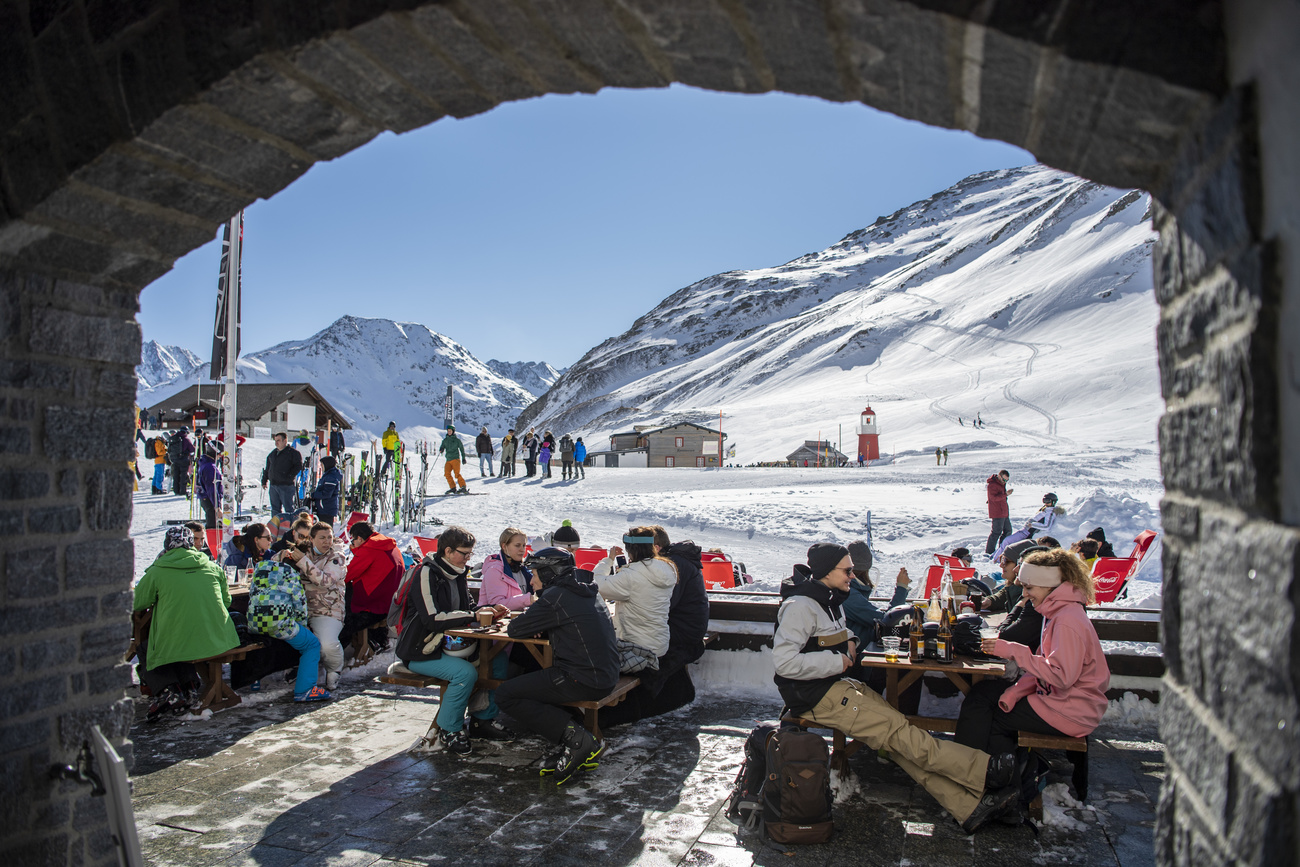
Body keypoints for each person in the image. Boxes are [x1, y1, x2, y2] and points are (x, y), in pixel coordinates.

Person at [772, 542, 1020, 833]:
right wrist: (838, 662)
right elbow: (785, 663)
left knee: (898, 739)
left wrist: (850, 641)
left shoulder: (828, 598)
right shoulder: (800, 606)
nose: (852, 575)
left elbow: (837, 633)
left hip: (835, 687)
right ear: (827, 571)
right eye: (847, 570)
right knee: (900, 734)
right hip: (816, 696)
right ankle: (985, 770)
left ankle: (968, 807)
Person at [956, 549, 1110, 772]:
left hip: (1071, 710)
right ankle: (978, 774)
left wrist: (1013, 651)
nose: (1025, 594)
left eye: (1029, 588)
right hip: (1066, 702)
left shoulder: (1066, 620)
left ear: (1050, 586)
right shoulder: (1059, 611)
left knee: (991, 716)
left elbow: (1061, 676)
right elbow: (1046, 663)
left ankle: (989, 781)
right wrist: (1016, 691)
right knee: (982, 695)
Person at [495, 548, 619, 784]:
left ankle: (577, 740)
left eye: (535, 574)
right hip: (603, 674)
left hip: (582, 678)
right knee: (534, 675)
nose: (532, 580)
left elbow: (515, 629)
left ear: (549, 573)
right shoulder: (584, 589)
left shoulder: (556, 597)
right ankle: (579, 741)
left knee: (505, 694)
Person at [394, 526, 515, 754]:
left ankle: (482, 720)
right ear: (448, 551)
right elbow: (433, 618)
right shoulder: (426, 573)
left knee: (496, 659)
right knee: (464, 673)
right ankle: (449, 729)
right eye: (464, 554)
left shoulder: (458, 572)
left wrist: (487, 610)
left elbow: (467, 608)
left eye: (470, 554)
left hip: (452, 645)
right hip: (421, 649)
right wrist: (475, 615)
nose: (468, 559)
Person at [599, 526, 710, 726]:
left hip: (681, 633)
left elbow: (598, 585)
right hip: (680, 631)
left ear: (656, 547)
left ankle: (605, 712)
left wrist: (611, 564)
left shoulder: (670, 565)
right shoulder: (670, 566)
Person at [132, 527, 241, 719]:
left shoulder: (158, 571)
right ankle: (190, 686)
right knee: (183, 640)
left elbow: (138, 603)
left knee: (149, 647)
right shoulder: (212, 566)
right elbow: (227, 602)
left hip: (181, 643)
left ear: (168, 544)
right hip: (219, 639)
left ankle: (168, 690)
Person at [247, 537, 330, 702]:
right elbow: (299, 605)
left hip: (254, 622)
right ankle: (305, 689)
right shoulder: (291, 574)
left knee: (261, 642)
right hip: (278, 623)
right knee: (311, 644)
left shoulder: (260, 570)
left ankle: (253, 681)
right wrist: (303, 626)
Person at [593, 527, 677, 673]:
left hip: (637, 650)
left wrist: (609, 560)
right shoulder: (667, 568)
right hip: (659, 645)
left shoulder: (631, 576)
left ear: (632, 550)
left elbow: (596, 584)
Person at [341, 521, 404, 654]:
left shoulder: (369, 549)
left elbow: (346, 575)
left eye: (352, 539)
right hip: (391, 602)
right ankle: (379, 639)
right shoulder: (386, 544)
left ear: (359, 538)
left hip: (373, 607)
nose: (352, 543)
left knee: (343, 611)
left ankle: (334, 653)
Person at [992, 492, 1064, 561]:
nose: (1045, 503)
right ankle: (994, 556)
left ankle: (997, 559)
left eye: (1048, 501)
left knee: (1007, 541)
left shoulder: (1050, 513)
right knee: (1006, 541)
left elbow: (1047, 526)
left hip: (1027, 533)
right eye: (1044, 501)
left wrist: (1032, 525)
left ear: (1053, 502)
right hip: (1025, 530)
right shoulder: (1045, 510)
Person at [479, 527, 533, 611]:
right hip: (493, 621)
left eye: (524, 545)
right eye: (517, 545)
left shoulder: (524, 569)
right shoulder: (494, 570)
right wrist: (529, 599)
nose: (522, 550)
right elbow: (497, 605)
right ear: (504, 546)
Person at [262, 431, 304, 518]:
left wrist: (289, 477)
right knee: (275, 509)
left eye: (278, 440)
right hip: (273, 485)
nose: (276, 443)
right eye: (275, 440)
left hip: (286, 486)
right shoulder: (272, 454)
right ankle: (276, 527)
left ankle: (291, 527)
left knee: (289, 509)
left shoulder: (293, 453)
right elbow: (268, 468)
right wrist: (264, 480)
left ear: (285, 441)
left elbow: (298, 466)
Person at [308, 455, 343, 525]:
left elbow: (326, 493)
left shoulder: (331, 477)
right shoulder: (327, 475)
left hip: (326, 509)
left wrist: (314, 495)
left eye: (322, 465)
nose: (321, 467)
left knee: (324, 529)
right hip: (323, 508)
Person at [985, 470, 1013, 555]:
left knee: (1008, 530)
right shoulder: (992, 485)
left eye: (1006, 480)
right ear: (999, 476)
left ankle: (1002, 549)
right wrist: (1006, 494)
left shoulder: (1001, 484)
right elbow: (993, 498)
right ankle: (989, 552)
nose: (1005, 482)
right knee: (996, 532)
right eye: (1004, 479)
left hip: (1004, 511)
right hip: (997, 512)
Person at [195, 443, 223, 529]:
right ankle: (213, 541)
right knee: (213, 526)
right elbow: (212, 488)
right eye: (221, 453)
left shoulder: (205, 463)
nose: (220, 456)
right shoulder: (210, 467)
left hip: (207, 499)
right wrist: (217, 507)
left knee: (216, 524)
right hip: (210, 500)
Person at [439, 425, 468, 494]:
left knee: (457, 474)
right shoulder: (445, 440)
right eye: (448, 431)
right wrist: (441, 449)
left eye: (450, 431)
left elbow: (461, 449)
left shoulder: (457, 440)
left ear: (453, 432)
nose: (449, 432)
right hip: (448, 460)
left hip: (455, 459)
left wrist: (463, 458)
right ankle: (453, 488)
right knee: (447, 474)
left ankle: (463, 486)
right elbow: (442, 446)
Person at [168, 429, 195, 496]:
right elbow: (192, 449)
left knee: (176, 475)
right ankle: (182, 491)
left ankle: (176, 490)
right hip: (183, 459)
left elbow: (169, 449)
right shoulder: (186, 440)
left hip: (175, 459)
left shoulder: (174, 438)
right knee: (183, 475)